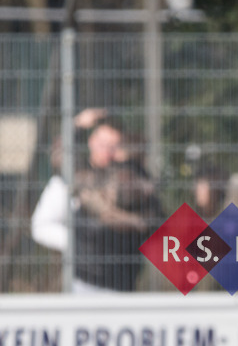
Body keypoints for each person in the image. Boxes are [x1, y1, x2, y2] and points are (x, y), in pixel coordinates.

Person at [31, 110, 160, 293]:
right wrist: (75, 126)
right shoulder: (76, 177)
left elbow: (151, 218)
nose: (106, 151)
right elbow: (60, 158)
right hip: (85, 279)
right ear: (91, 141)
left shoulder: (130, 178)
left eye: (113, 146)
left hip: (123, 282)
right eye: (102, 143)